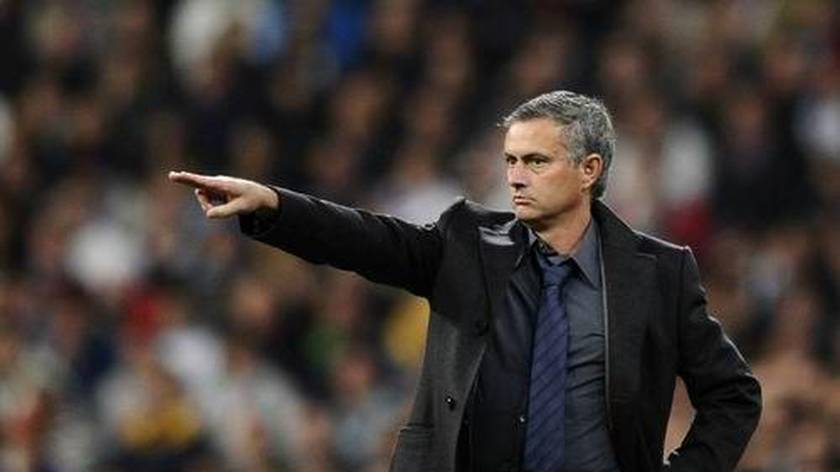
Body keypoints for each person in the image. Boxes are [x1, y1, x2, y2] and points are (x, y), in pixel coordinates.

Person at [169, 91, 761, 472]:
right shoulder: (467, 242)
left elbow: (733, 395)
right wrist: (274, 205)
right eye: (511, 161)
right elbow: (367, 239)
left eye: (536, 161)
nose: (516, 177)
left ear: (589, 170)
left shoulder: (656, 273)